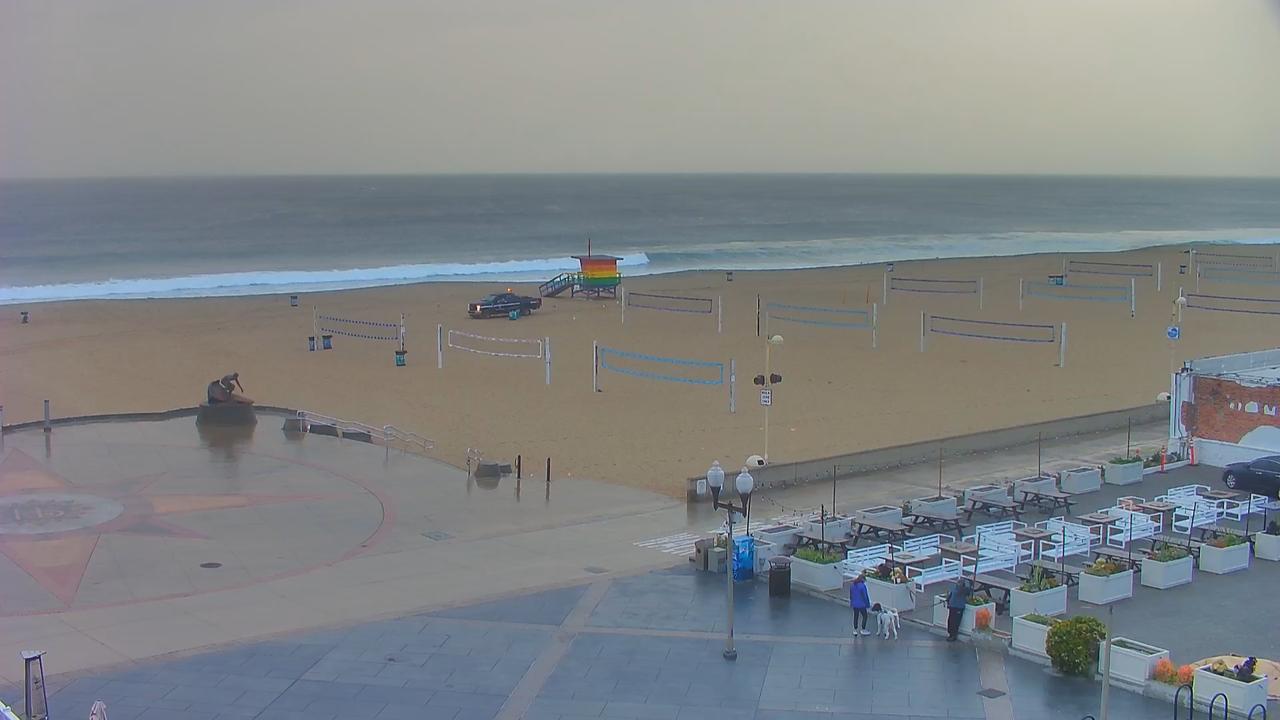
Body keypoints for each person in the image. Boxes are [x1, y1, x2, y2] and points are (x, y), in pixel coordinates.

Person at [945, 577, 971, 641]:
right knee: (950, 621)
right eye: (958, 582)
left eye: (960, 582)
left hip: (958, 607)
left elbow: (968, 592)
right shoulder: (954, 588)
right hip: (952, 606)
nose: (958, 583)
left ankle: (954, 635)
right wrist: (948, 600)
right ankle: (950, 633)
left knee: (955, 622)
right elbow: (950, 595)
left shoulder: (964, 590)